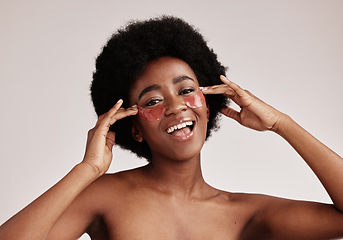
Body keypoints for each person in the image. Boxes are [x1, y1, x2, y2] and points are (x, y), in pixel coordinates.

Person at [0, 16, 342, 240]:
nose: (176, 106)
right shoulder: (104, 196)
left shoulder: (246, 213)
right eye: (152, 101)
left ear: (208, 105)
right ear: (134, 128)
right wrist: (87, 170)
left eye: (187, 90)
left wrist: (282, 124)